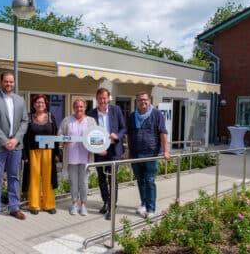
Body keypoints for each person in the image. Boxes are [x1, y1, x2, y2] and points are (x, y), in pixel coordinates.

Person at [0, 71, 28, 225]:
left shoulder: (20, 100)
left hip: (16, 146)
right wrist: (4, 141)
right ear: (1, 82)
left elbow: (24, 121)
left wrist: (15, 139)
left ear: (14, 83)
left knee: (14, 177)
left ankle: (14, 207)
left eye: (11, 82)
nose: (9, 84)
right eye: (6, 81)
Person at [127, 91, 170, 219]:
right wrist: (129, 151)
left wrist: (166, 151)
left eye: (145, 100)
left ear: (149, 100)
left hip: (151, 154)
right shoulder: (132, 116)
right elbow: (129, 134)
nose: (143, 102)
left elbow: (163, 133)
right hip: (135, 154)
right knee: (140, 181)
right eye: (140, 100)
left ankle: (151, 209)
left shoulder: (157, 114)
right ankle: (144, 204)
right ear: (137, 102)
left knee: (150, 181)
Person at [87, 88, 126, 220]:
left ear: (109, 98)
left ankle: (112, 205)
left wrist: (117, 136)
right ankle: (105, 201)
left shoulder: (116, 110)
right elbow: (90, 133)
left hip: (114, 149)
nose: (103, 100)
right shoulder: (91, 114)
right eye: (100, 98)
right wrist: (98, 149)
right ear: (96, 99)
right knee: (101, 178)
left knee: (112, 178)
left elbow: (123, 127)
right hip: (100, 150)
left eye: (105, 98)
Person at [22, 94, 59, 215]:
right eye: (37, 102)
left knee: (48, 179)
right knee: (34, 178)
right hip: (33, 152)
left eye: (42, 102)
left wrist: (56, 153)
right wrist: (25, 156)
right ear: (33, 104)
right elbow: (25, 138)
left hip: (48, 151)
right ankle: (34, 205)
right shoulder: (28, 118)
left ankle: (49, 205)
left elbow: (55, 135)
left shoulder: (51, 117)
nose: (40, 104)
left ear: (46, 104)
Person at [58, 98, 97, 216]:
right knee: (73, 182)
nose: (79, 109)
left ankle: (83, 204)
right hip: (71, 157)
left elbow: (97, 137)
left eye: (81, 107)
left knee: (84, 182)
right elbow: (59, 135)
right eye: (77, 107)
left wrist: (93, 143)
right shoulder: (67, 120)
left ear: (85, 108)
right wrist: (65, 141)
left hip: (86, 157)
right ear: (73, 108)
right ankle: (74, 204)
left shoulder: (91, 121)